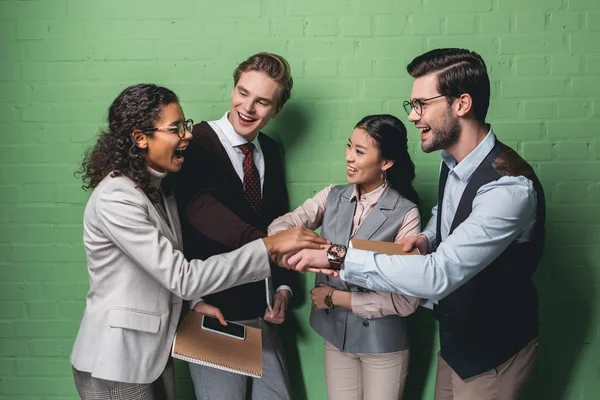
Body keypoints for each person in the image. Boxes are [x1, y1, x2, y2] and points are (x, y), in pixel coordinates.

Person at [288, 48, 546, 400]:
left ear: (462, 104)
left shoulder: (508, 189)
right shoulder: (453, 161)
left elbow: (437, 275)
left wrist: (336, 256)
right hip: (457, 343)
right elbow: (447, 212)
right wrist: (425, 237)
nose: (413, 117)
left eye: (422, 104)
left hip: (494, 353)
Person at [69, 83, 326, 399]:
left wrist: (193, 304)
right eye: (175, 128)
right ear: (140, 138)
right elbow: (182, 276)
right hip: (116, 361)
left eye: (185, 125)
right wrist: (269, 246)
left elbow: (154, 270)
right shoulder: (117, 199)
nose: (187, 135)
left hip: (151, 354)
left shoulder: (159, 190)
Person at [268, 114, 423, 400]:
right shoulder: (331, 196)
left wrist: (336, 298)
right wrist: (306, 252)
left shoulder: (406, 213)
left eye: (360, 152)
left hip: (384, 343)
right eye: (349, 146)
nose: (349, 157)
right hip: (336, 336)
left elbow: (408, 299)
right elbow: (279, 228)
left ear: (386, 162)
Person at [173, 52, 297, 400]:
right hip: (211, 310)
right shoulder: (194, 143)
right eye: (242, 93)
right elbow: (200, 212)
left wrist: (284, 288)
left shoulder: (270, 150)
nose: (248, 107)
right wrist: (274, 249)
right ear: (233, 88)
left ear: (277, 110)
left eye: (262, 102)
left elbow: (277, 218)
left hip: (262, 307)